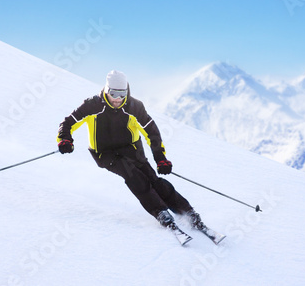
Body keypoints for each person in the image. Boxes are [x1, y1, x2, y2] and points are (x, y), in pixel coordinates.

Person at [57, 70, 205, 232]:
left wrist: (160, 159)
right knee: (134, 176)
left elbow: (152, 132)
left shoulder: (135, 107)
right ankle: (161, 213)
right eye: (114, 94)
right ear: (106, 91)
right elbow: (68, 122)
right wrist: (65, 139)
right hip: (105, 153)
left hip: (132, 150)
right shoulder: (92, 105)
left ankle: (188, 212)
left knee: (153, 180)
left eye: (122, 94)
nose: (118, 99)